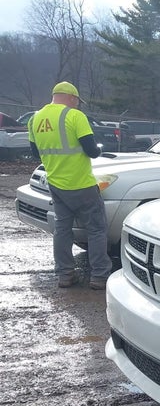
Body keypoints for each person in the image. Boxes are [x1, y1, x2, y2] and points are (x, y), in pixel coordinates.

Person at [28, 81, 111, 289]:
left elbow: (35, 154)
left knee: (62, 229)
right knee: (96, 229)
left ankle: (65, 274)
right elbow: (92, 150)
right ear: (71, 98)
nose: (77, 105)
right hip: (82, 184)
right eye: (77, 101)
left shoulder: (34, 119)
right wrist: (100, 150)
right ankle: (99, 277)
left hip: (56, 184)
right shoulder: (75, 116)